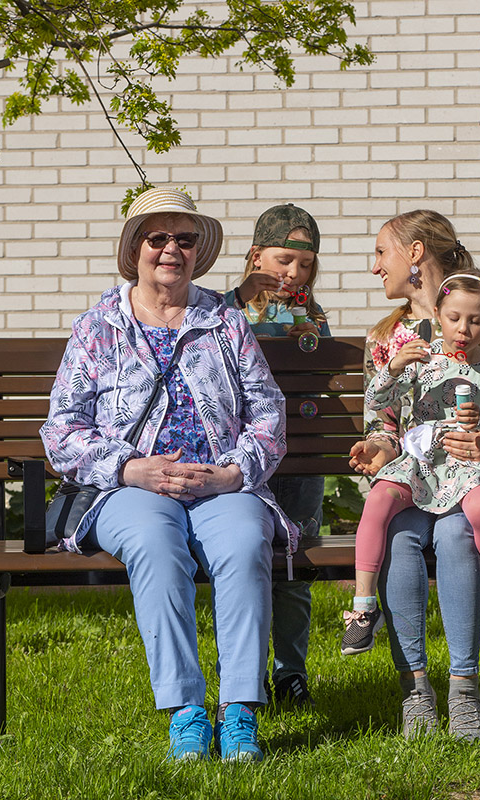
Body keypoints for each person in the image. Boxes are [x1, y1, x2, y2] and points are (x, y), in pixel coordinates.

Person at [40, 188, 298, 763]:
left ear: (197, 251)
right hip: (129, 487)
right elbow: (62, 430)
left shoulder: (224, 321)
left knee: (243, 541)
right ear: (136, 247)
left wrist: (233, 475)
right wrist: (131, 467)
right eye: (159, 238)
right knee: (156, 543)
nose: (171, 250)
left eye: (184, 239)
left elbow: (268, 413)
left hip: (219, 481)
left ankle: (238, 713)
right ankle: (185, 711)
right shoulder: (98, 327)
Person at [348, 210, 480, 743]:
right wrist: (377, 446)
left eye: (382, 252)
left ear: (414, 255)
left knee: (458, 535)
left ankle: (464, 691)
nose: (374, 266)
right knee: (400, 538)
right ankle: (415, 691)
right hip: (416, 475)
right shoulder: (387, 337)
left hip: (478, 472)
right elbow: (381, 422)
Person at [341, 268, 480, 658]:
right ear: (437, 314)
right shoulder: (421, 360)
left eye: (475, 321)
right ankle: (363, 607)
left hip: (469, 464)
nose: (463, 329)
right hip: (422, 465)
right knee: (378, 501)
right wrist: (395, 367)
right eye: (454, 318)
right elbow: (375, 401)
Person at [224, 203, 330, 708]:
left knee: (294, 567)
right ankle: (241, 677)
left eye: (305, 265)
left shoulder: (312, 315)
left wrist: (306, 332)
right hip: (240, 460)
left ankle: (291, 673)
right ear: (255, 256)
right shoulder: (223, 310)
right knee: (242, 567)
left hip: (297, 461)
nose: (294, 273)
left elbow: (322, 376)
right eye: (284, 260)